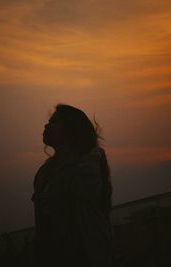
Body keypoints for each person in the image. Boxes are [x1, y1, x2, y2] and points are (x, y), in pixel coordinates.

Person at [32, 104, 113, 267]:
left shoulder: (87, 166)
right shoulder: (44, 172)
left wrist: (94, 154)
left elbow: (87, 189)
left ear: (71, 131)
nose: (46, 125)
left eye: (54, 122)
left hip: (85, 258)